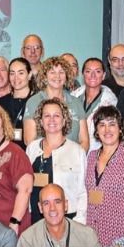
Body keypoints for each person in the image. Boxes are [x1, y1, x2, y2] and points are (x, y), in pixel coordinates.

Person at [85, 106, 124, 246]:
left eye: (112, 124)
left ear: (120, 129)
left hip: (120, 237)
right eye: (102, 125)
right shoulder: (91, 157)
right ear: (96, 131)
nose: (107, 130)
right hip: (91, 234)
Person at [24, 97, 89, 228]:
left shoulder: (77, 151)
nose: (52, 120)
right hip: (37, 220)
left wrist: (79, 222)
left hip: (68, 220)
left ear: (64, 121)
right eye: (47, 116)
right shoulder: (32, 149)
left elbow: (82, 191)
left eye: (57, 116)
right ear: (41, 121)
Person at [21, 59, 89, 150]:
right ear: (45, 76)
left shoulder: (76, 103)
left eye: (61, 72)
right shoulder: (34, 102)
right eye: (52, 72)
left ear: (67, 76)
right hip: (44, 159)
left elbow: (85, 141)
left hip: (72, 160)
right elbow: (29, 140)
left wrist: (74, 158)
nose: (57, 76)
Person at [18, 184, 100, 247]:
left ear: (66, 205)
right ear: (40, 208)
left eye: (57, 202)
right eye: (46, 203)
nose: (52, 208)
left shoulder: (87, 237)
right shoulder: (28, 240)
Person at [78, 57, 119, 151]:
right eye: (88, 71)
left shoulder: (111, 102)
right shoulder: (73, 97)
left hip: (97, 153)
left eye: (98, 71)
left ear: (104, 75)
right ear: (83, 74)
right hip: (73, 153)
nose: (93, 75)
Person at [0, 58, 36, 139]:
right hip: (6, 149)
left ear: (29, 75)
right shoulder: (0, 104)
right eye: (12, 73)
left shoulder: (37, 101)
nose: (16, 78)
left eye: (21, 73)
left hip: (29, 150)